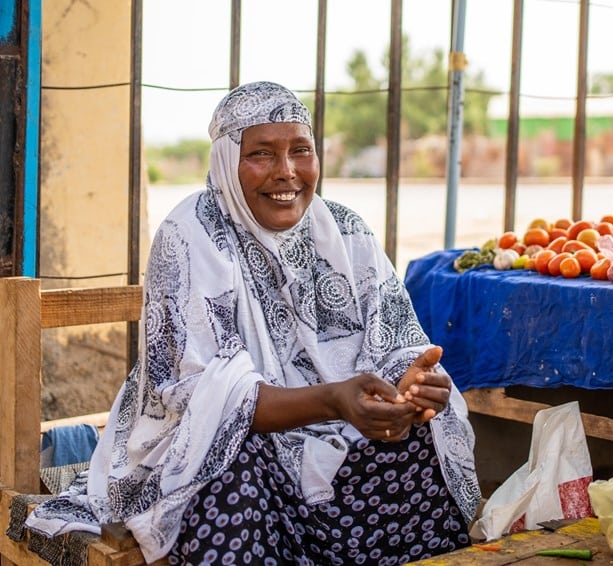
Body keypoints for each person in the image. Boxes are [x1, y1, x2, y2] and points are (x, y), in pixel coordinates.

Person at [26, 81, 482, 564]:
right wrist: (334, 399)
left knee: (426, 440)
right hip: (219, 437)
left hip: (336, 429)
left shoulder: (347, 231)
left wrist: (408, 386)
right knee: (224, 466)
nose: (286, 172)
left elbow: (395, 342)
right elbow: (206, 395)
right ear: (226, 161)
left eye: (301, 151)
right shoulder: (191, 235)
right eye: (262, 153)